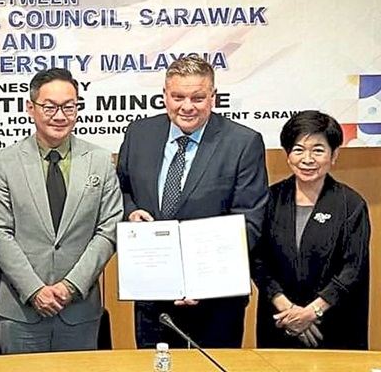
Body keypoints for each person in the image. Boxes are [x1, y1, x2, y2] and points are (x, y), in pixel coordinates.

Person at [117, 54, 268, 348]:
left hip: (216, 301)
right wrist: (131, 213)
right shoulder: (139, 134)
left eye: (198, 97)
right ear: (164, 95)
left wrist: (200, 279)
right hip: (154, 296)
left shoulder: (243, 142)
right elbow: (121, 191)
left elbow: (249, 220)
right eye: (178, 96)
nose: (187, 106)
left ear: (213, 96)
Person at [0, 68, 123, 354]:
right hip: (21, 312)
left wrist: (71, 285)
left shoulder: (99, 160)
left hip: (79, 311)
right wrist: (34, 289)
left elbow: (109, 229)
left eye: (69, 106)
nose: (60, 116)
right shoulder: (6, 161)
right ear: (30, 108)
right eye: (50, 107)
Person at [252, 110, 370, 349]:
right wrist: (288, 310)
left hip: (334, 326)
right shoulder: (269, 199)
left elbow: (353, 269)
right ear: (287, 155)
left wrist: (312, 312)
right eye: (298, 149)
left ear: (334, 155)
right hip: (279, 321)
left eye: (318, 150)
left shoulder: (351, 204)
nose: (307, 159)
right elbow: (257, 260)